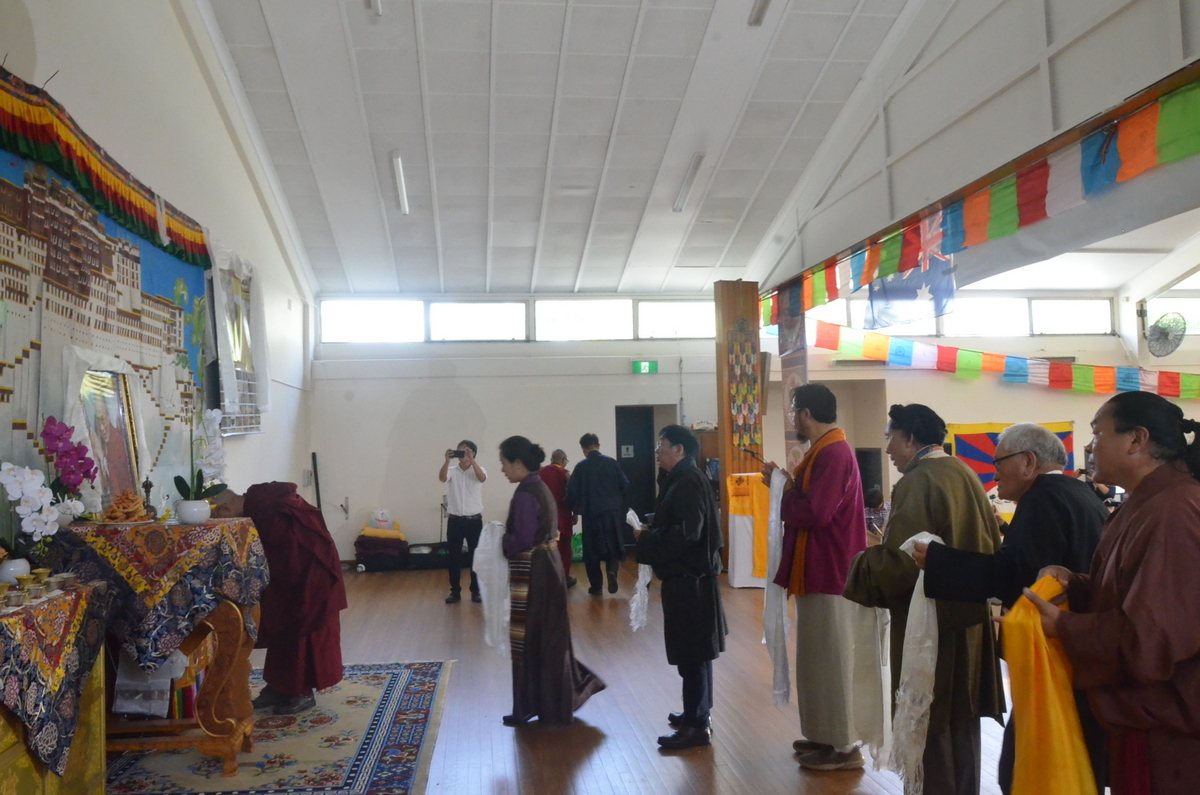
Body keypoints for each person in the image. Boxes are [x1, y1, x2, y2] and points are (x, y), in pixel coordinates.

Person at [912, 422, 1109, 793]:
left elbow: (1016, 576)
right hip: (1081, 647)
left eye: (999, 461)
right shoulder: (1079, 494)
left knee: (1029, 764)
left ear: (1028, 462)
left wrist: (939, 561)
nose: (994, 471)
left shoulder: (1043, 498)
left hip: (1055, 652)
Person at [1023, 392, 1200, 795]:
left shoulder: (1175, 510)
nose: (1088, 447)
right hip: (1144, 719)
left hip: (1169, 731)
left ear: (1137, 440)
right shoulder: (1147, 502)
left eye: (1097, 432)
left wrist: (1066, 627)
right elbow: (1130, 592)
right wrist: (1076, 584)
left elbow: (1154, 638)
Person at [843, 403, 1005, 795]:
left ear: (910, 438)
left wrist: (863, 561)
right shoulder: (963, 471)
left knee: (931, 723)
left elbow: (901, 565)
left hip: (930, 625)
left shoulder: (919, 481)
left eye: (889, 438)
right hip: (968, 619)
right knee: (960, 727)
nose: (887, 450)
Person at [760, 383, 882, 772]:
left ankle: (845, 747)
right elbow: (812, 501)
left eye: (795, 411)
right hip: (817, 570)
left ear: (807, 414)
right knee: (817, 660)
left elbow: (816, 513)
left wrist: (780, 491)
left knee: (833, 661)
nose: (794, 418)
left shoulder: (833, 452)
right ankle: (824, 735)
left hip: (832, 572)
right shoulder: (825, 450)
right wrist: (784, 483)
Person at [497, 435, 605, 725]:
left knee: (534, 640)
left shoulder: (525, 493)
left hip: (536, 572)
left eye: (504, 463)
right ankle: (546, 703)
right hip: (548, 566)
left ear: (518, 463)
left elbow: (519, 540)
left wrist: (500, 540)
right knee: (547, 639)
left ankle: (542, 704)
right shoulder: (537, 485)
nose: (503, 469)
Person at [213, 482, 346, 715]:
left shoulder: (269, 508)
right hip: (291, 574)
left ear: (224, 507)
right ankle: (278, 686)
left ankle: (301, 692)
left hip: (306, 575)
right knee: (279, 623)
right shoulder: (261, 504)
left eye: (219, 516)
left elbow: (289, 552)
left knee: (300, 625)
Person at [635, 425, 728, 750]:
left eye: (662, 445)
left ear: (679, 450)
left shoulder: (688, 481)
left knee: (693, 654)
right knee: (696, 653)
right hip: (691, 579)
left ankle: (696, 726)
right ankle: (697, 712)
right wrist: (654, 528)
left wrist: (647, 538)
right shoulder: (682, 478)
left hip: (692, 581)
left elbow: (689, 532)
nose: (658, 450)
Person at [565, 433, 628, 596]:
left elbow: (572, 492)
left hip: (590, 514)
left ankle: (596, 587)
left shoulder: (581, 466)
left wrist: (567, 507)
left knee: (592, 552)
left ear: (583, 449)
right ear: (598, 446)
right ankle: (612, 572)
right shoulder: (612, 463)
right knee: (612, 545)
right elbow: (625, 485)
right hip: (611, 512)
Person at [439, 440, 487, 604]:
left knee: (477, 557)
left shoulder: (479, 470)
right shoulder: (452, 470)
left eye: (465, 452)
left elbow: (482, 478)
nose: (462, 455)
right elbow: (442, 478)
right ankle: (455, 591)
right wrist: (446, 461)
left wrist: (472, 461)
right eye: (459, 452)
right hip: (455, 521)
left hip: (474, 521)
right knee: (454, 558)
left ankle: (476, 591)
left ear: (473, 453)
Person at [539, 449, 577, 588]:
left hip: (545, 518)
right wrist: (575, 514)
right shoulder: (565, 473)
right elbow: (573, 494)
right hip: (562, 517)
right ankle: (563, 578)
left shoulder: (541, 472)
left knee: (546, 549)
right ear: (563, 460)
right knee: (564, 549)